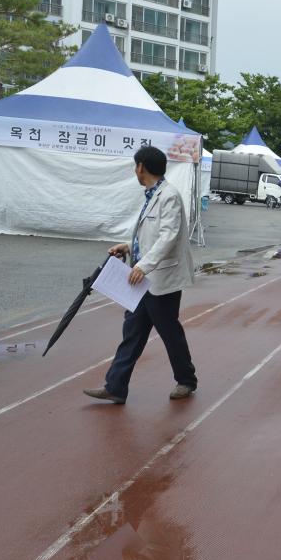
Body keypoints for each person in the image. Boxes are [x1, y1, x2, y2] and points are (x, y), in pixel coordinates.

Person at [84, 146, 197, 404]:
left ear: (141, 167)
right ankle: (115, 386)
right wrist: (127, 246)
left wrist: (143, 266)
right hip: (144, 278)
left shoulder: (169, 196)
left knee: (169, 332)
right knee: (132, 332)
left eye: (135, 166)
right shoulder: (152, 195)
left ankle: (187, 380)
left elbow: (168, 236)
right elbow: (151, 236)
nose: (135, 170)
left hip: (160, 279)